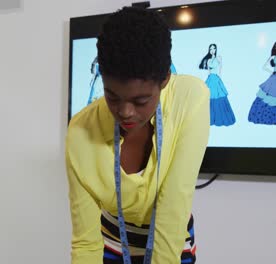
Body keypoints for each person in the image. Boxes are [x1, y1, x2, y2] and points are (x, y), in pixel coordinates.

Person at [65, 7, 210, 264]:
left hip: (172, 238)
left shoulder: (190, 99)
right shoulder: (80, 131)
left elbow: (174, 201)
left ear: (164, 80)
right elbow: (86, 243)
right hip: (111, 243)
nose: (125, 112)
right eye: (112, 96)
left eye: (141, 100)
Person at [198, 44, 236, 126]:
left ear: (216, 49)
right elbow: (208, 72)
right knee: (208, 97)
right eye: (211, 49)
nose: (212, 50)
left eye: (214, 49)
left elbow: (220, 69)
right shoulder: (208, 61)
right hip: (210, 79)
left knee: (218, 97)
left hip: (216, 79)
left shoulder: (218, 58)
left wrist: (219, 80)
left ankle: (219, 118)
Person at [248, 41, 276, 124]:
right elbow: (264, 67)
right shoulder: (273, 57)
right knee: (269, 97)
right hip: (274, 78)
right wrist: (272, 72)